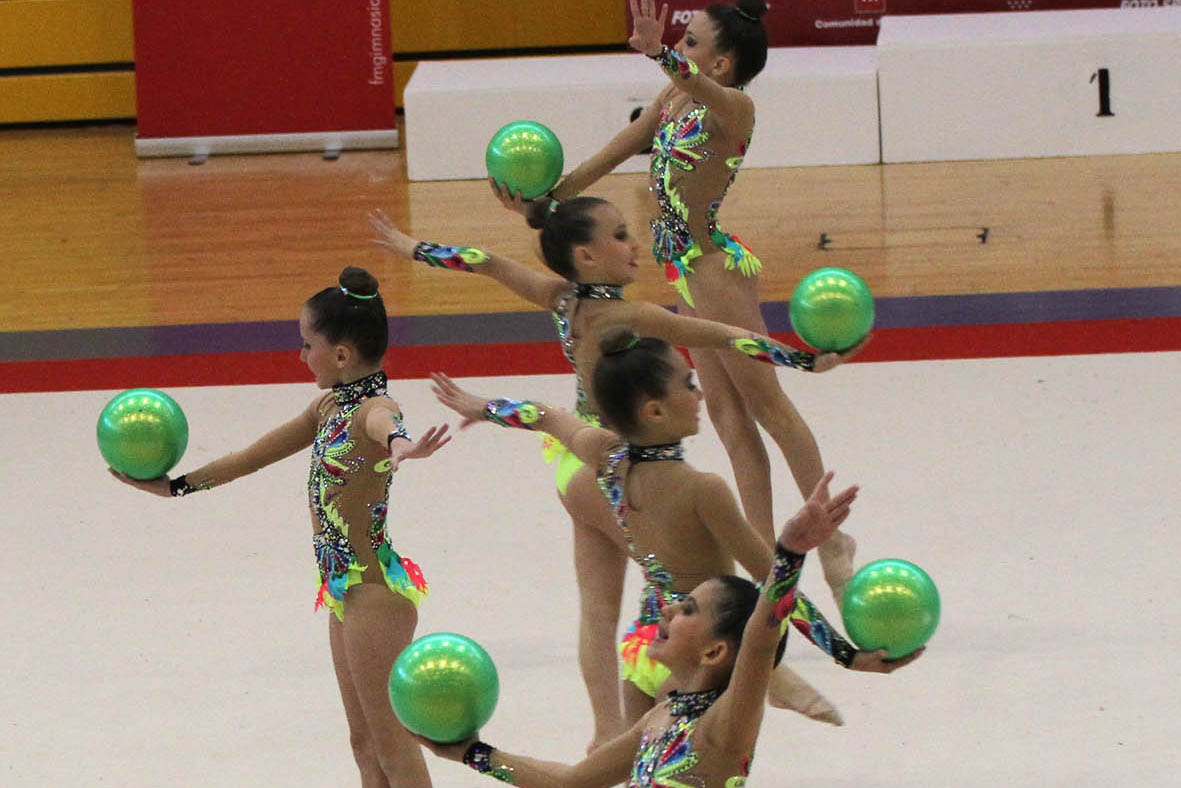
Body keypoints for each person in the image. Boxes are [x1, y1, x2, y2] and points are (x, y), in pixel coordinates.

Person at [371, 205, 860, 742]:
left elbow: (485, 261)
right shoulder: (628, 316)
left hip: (578, 454)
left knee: (600, 610)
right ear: (586, 255)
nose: (635, 245)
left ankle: (605, 733)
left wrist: (412, 249)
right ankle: (767, 675)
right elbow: (719, 335)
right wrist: (801, 360)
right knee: (683, 577)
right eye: (622, 236)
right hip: (608, 464)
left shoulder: (561, 300)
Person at [493, 0, 859, 624]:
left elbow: (695, 85)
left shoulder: (734, 108)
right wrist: (550, 200)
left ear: (721, 62)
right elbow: (619, 149)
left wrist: (658, 51)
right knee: (728, 417)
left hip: (715, 268)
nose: (682, 49)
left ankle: (832, 543)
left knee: (769, 407)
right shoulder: (675, 96)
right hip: (684, 268)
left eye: (692, 42)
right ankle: (767, 567)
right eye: (682, 41)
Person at [429, 329, 896, 733]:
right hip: (699, 655)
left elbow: (544, 416)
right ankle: (777, 683)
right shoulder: (703, 490)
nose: (700, 395)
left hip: (649, 645)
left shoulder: (606, 457)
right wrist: (845, 654)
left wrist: (484, 407)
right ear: (654, 411)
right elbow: (775, 584)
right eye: (689, 385)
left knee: (643, 773)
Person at [111, 267, 451, 788]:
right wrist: (177, 487)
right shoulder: (328, 406)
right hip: (345, 593)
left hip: (376, 596)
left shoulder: (373, 409)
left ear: (342, 355)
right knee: (365, 746)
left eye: (307, 345)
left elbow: (387, 423)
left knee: (393, 746)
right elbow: (251, 457)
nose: (301, 355)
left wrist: (401, 444)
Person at [415, 462, 921, 786]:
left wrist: (789, 553)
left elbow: (761, 638)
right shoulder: (660, 717)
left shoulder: (725, 725)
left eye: (689, 610)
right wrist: (474, 754)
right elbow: (571, 782)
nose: (669, 610)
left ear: (715, 652)